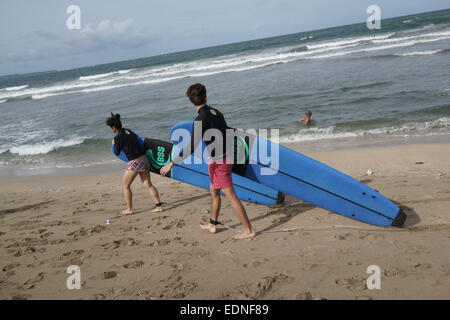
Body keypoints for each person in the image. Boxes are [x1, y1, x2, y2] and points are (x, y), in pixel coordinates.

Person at [160, 83, 256, 240]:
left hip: (220, 161)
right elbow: (228, 134)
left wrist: (171, 163)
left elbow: (192, 146)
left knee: (231, 195)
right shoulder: (217, 112)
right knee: (214, 191)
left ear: (191, 101)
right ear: (205, 96)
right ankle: (213, 224)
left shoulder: (199, 119)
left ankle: (249, 230)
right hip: (221, 158)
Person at [107, 113, 163, 215]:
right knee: (148, 184)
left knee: (125, 186)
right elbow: (138, 140)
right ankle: (158, 206)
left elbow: (116, 152)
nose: (110, 129)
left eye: (110, 128)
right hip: (144, 159)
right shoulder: (128, 131)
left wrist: (114, 144)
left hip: (135, 162)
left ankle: (129, 209)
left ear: (113, 127)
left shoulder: (118, 137)